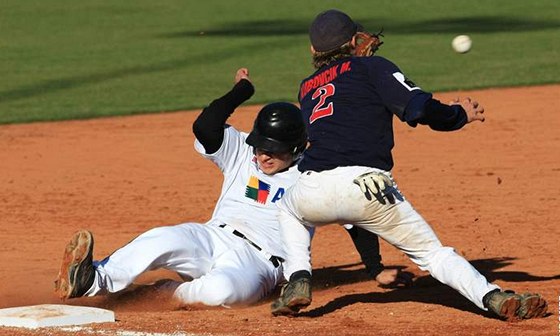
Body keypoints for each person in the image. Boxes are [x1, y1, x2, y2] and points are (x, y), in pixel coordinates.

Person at [270, 9, 549, 321]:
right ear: (353, 40)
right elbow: (418, 108)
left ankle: (298, 278)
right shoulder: (372, 67)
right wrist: (458, 116)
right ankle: (492, 297)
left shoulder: (306, 87)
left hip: (312, 189)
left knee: (287, 210)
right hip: (369, 187)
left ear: (313, 50)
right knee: (432, 254)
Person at [53, 68, 407, 308]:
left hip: (259, 265)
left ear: (298, 148)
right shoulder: (243, 150)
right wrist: (241, 91)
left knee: (224, 291)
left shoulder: (317, 175)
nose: (263, 155)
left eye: (273, 150)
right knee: (162, 238)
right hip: (212, 236)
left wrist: (374, 269)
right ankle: (92, 279)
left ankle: (167, 293)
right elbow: (205, 126)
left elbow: (356, 221)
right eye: (260, 145)